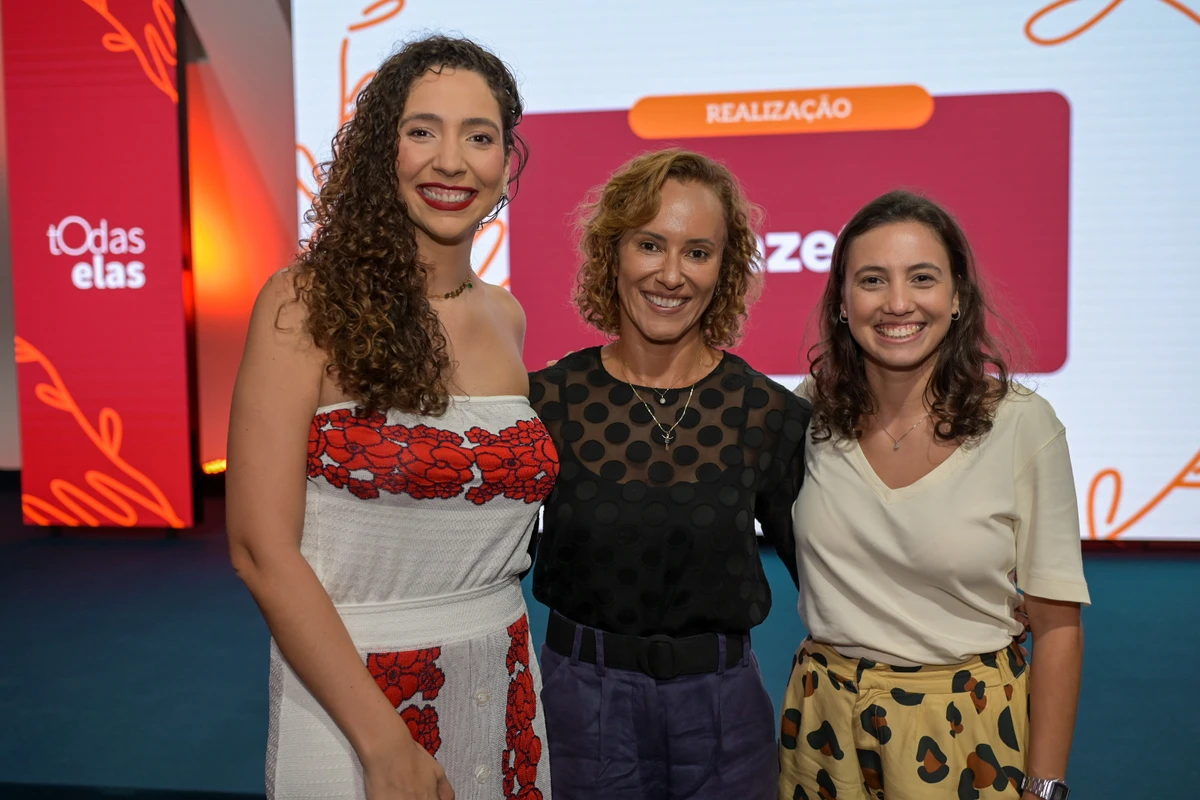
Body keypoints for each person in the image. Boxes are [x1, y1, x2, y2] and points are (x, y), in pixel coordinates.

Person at [226, 36, 556, 800]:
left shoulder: (508, 317)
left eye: (479, 136)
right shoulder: (303, 302)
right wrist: (384, 747)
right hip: (352, 700)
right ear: (383, 150)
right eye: (421, 131)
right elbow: (258, 548)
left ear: (507, 161)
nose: (452, 160)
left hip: (502, 679)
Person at [779, 190, 1088, 800]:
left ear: (957, 297)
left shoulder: (1023, 425)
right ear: (842, 302)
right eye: (872, 280)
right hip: (823, 723)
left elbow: (1057, 628)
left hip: (969, 729)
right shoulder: (809, 414)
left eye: (922, 278)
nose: (898, 303)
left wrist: (1046, 786)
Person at [527, 149, 812, 800]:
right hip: (581, 706)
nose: (671, 274)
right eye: (650, 244)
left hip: (722, 713)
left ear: (725, 268)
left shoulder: (767, 414)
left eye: (698, 252)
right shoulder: (550, 401)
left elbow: (830, 576)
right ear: (613, 252)